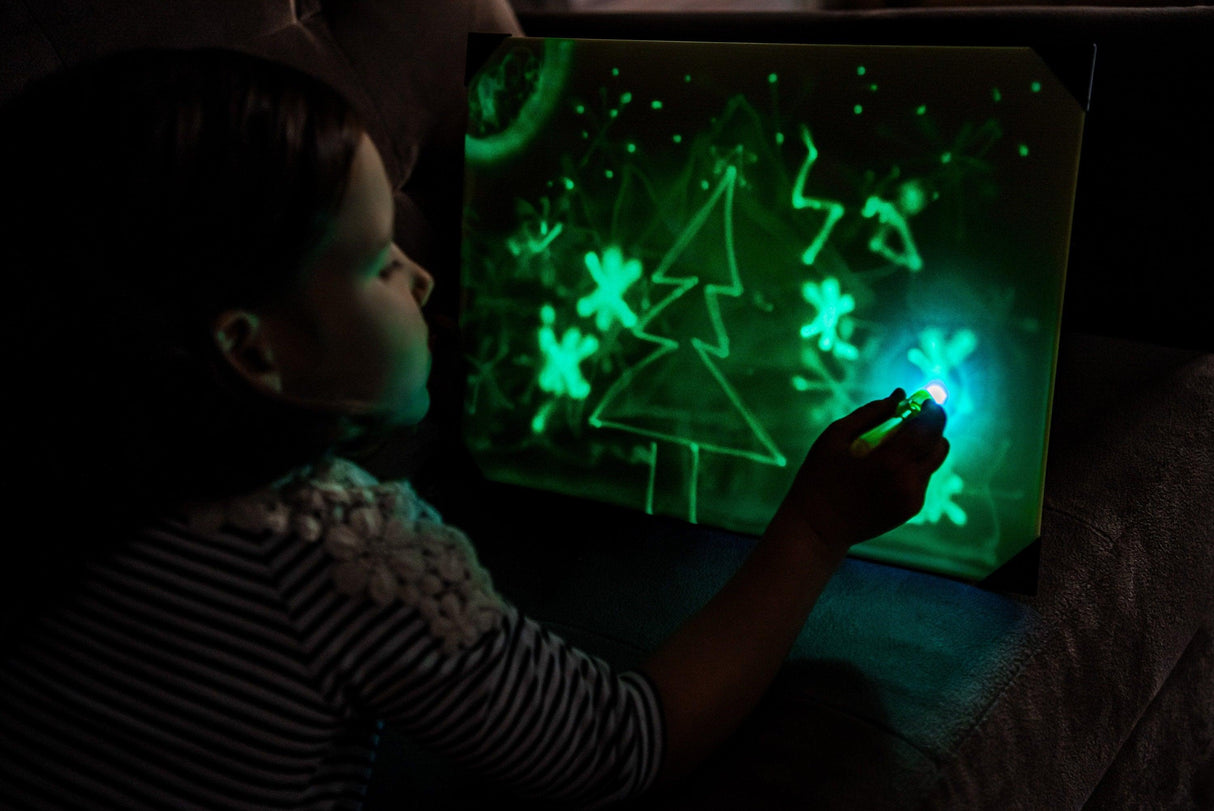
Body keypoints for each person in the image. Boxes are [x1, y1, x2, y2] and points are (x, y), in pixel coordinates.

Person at [0, 47, 948, 809]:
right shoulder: (340, 557)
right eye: (377, 262)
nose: (418, 272)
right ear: (253, 352)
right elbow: (620, 744)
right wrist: (818, 525)